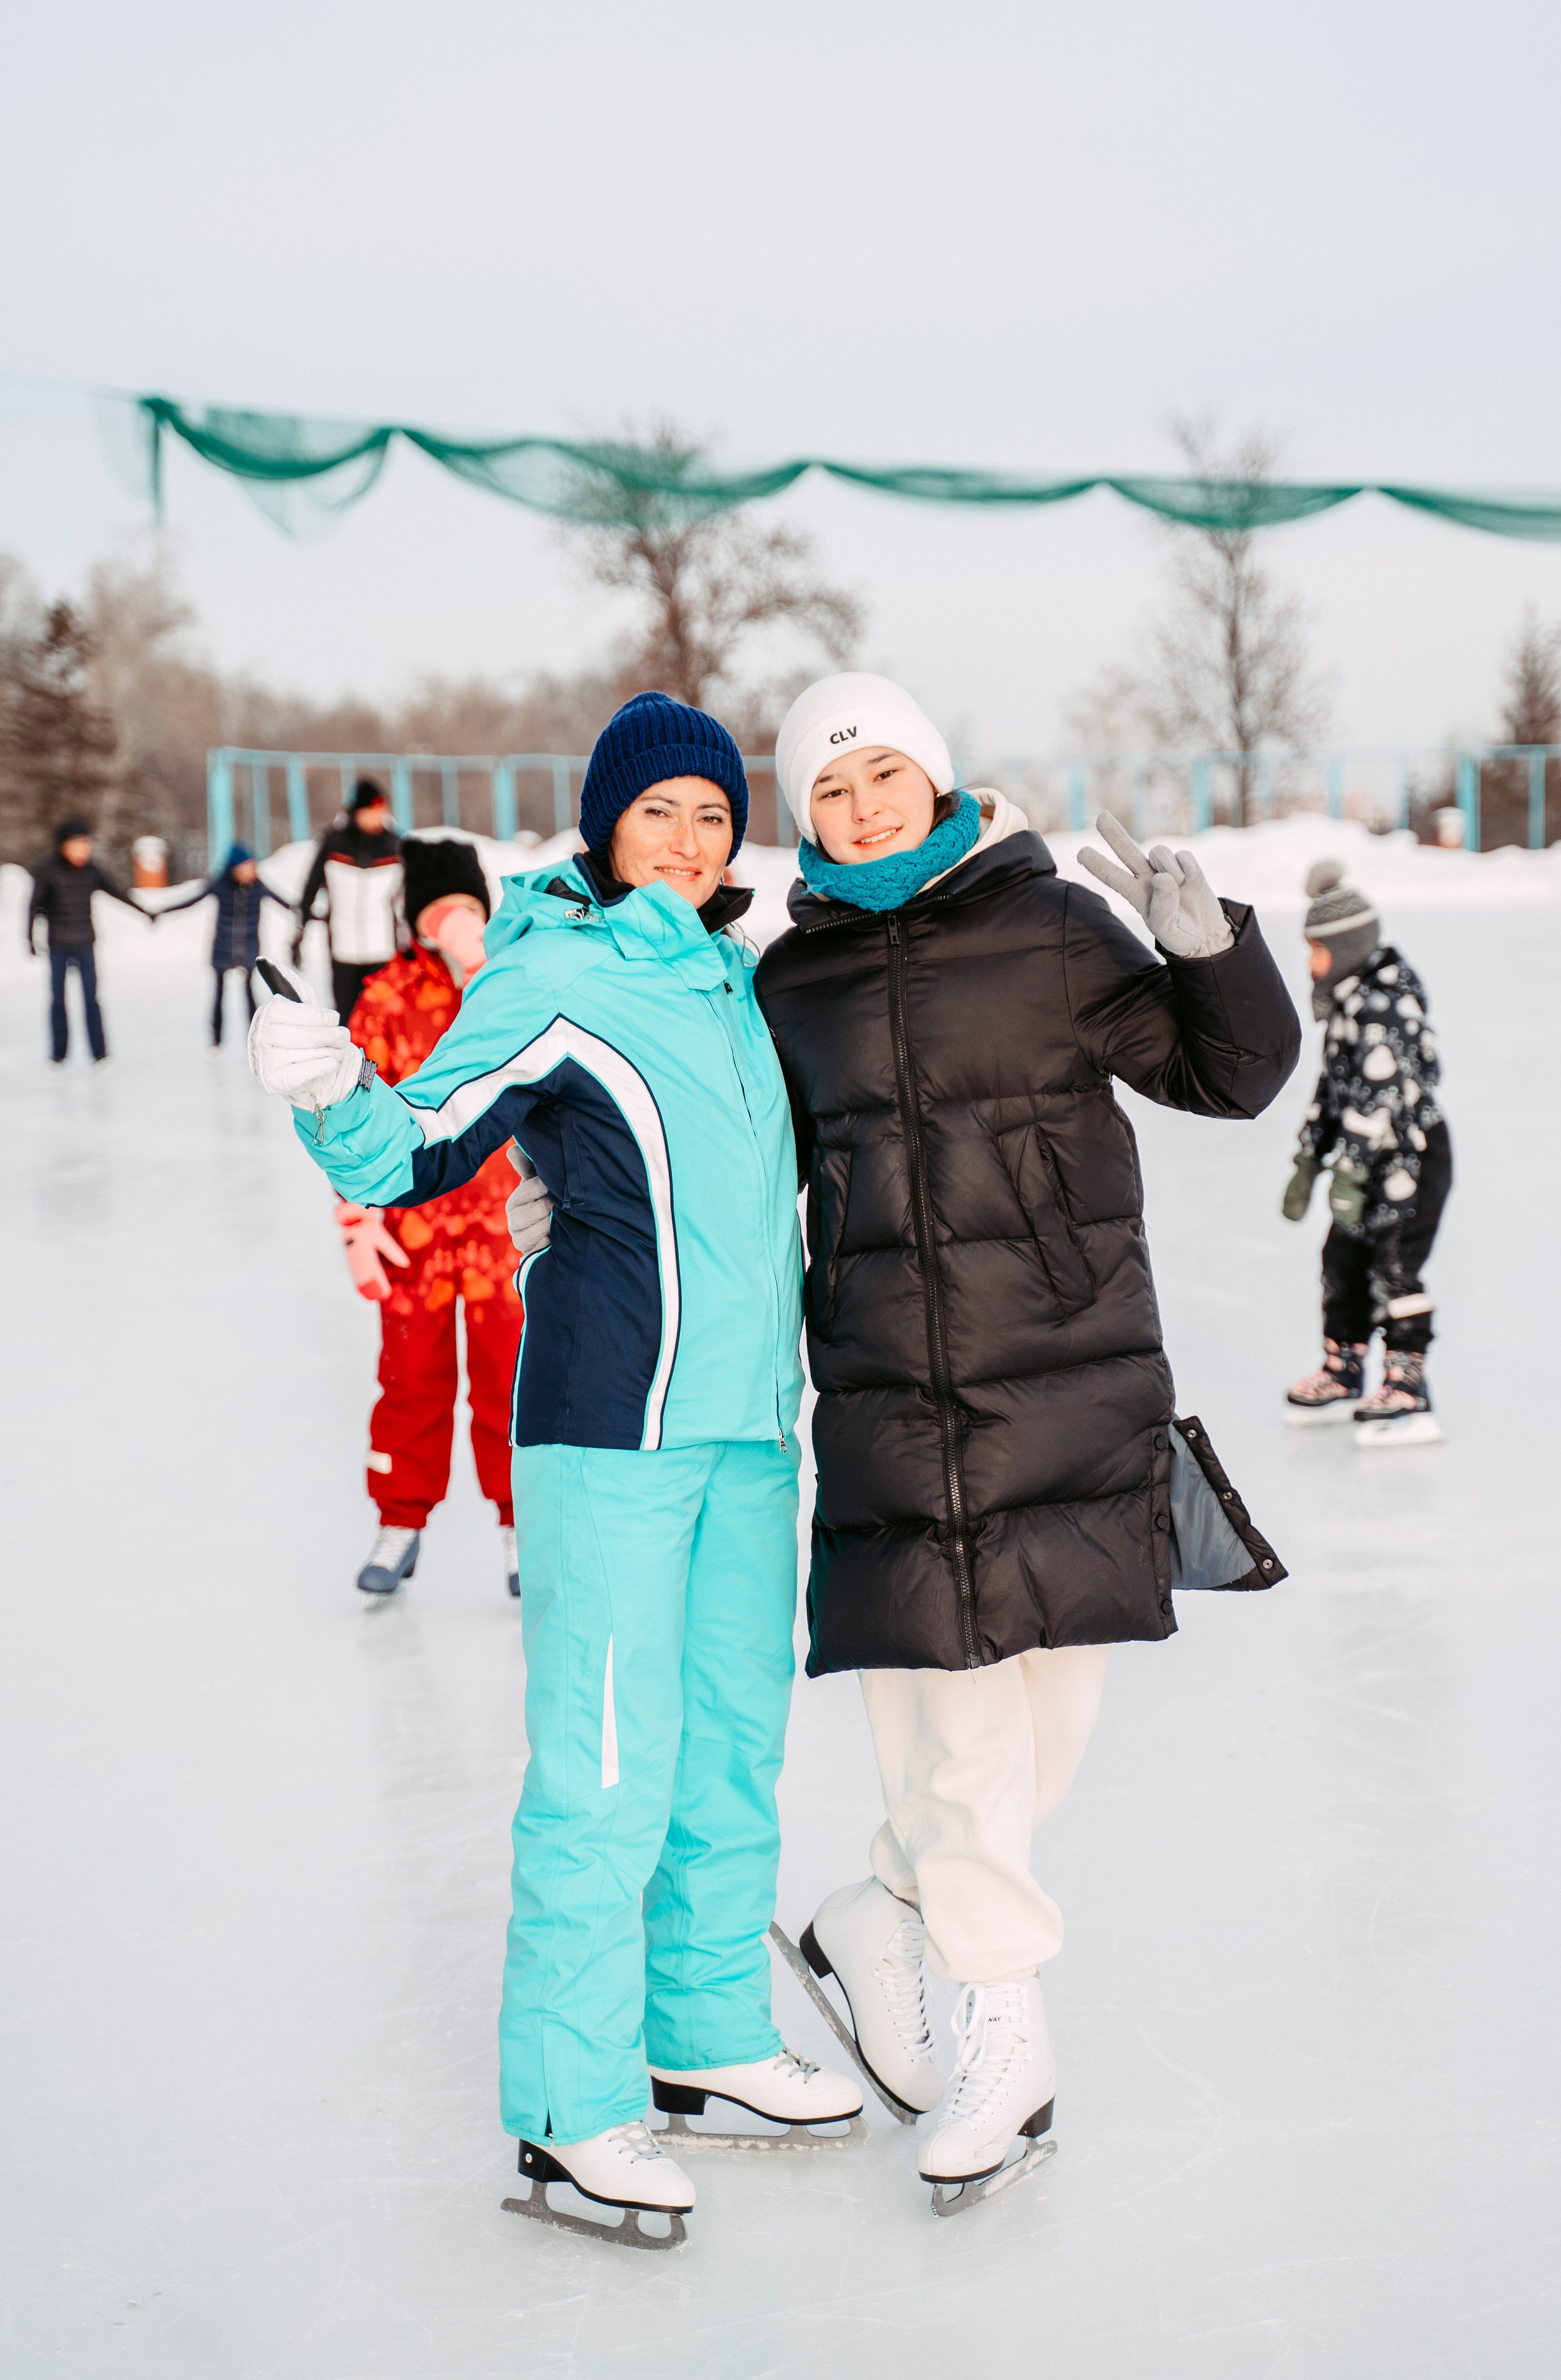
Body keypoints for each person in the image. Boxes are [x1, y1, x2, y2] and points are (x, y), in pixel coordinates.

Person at [246, 693, 858, 2245]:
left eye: (714, 816)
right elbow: (423, 1144)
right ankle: (572, 2101)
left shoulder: (730, 978)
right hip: (607, 1422)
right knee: (602, 1767)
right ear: (603, 823)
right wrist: (332, 1092)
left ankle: (704, 2022)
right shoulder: (554, 970)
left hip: (744, 1428)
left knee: (728, 1742)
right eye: (660, 810)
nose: (690, 838)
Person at [752, 673, 1299, 2208]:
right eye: (829, 788)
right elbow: (738, 1172)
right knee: (959, 1716)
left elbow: (1230, 1074)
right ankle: (1010, 2038)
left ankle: (882, 1907)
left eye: (880, 774)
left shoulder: (1051, 927)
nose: (858, 806)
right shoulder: (791, 980)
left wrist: (1212, 954)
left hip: (1062, 1369)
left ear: (934, 779)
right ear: (806, 814)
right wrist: (590, 1218)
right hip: (888, 1397)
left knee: (1033, 1723)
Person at [337, 834, 527, 1600]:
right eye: (438, 911)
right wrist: (357, 1221)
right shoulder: (385, 996)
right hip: (414, 1235)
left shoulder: (508, 988)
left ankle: (524, 1525)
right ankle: (400, 1518)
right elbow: (345, 1116)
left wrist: (486, 969)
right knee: (411, 1381)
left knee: (509, 1383)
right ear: (414, 921)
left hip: (499, 1237)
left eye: (467, 909)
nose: (453, 923)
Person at [1282, 858, 1451, 1446]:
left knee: (1395, 1268)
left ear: (1345, 947)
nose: (1310, 963)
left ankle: (1407, 1385)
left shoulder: (1383, 1005)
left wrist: (1348, 1166)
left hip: (1412, 1159)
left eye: (1317, 950)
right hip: (1369, 1162)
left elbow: (1379, 1099)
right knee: (1342, 1259)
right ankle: (1344, 1369)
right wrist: (1310, 1155)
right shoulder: (1351, 1002)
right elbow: (1335, 1090)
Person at [26, 815, 151, 1063]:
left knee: (91, 999)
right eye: (79, 844)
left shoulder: (92, 871)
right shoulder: (48, 871)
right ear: (64, 845)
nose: (85, 850)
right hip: (58, 944)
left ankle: (99, 1053)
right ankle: (58, 1055)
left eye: (87, 844)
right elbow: (33, 906)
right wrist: (28, 937)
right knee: (58, 1001)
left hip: (84, 942)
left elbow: (117, 892)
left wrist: (145, 911)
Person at [153, 843, 291, 1048]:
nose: (252, 871)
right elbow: (192, 900)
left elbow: (285, 903)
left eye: (253, 866)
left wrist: (310, 913)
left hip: (248, 946)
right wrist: (162, 910)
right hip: (223, 947)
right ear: (234, 869)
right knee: (219, 993)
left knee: (249, 993)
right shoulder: (220, 884)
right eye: (246, 867)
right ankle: (216, 1040)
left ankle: (255, 1039)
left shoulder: (259, 886)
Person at [295, 778, 404, 1020]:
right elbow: (311, 886)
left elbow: (407, 896)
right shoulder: (334, 842)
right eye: (372, 811)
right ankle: (349, 1059)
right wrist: (299, 932)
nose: (379, 817)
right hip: (342, 947)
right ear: (357, 812)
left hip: (382, 948)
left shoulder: (394, 846)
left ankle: (375, 1061)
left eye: (382, 812)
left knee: (380, 1018)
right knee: (347, 1017)